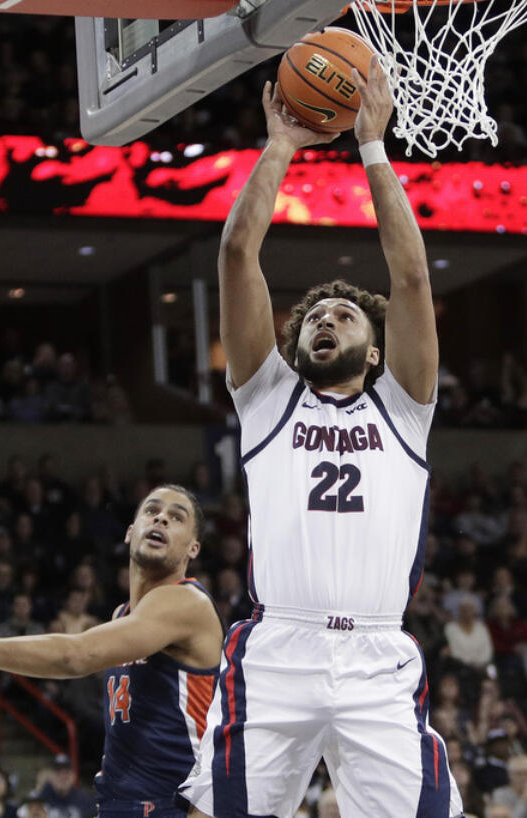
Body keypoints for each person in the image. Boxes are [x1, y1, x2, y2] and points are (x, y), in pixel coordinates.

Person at [177, 59, 460, 818]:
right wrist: (279, 146)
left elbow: (412, 280)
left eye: (345, 315)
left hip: (377, 655)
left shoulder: (403, 408)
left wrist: (373, 147)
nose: (325, 317)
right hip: (279, 651)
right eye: (315, 315)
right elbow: (238, 253)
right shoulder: (267, 397)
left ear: (378, 352)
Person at [0, 485, 224, 818]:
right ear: (130, 532)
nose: (161, 518)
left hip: (175, 803)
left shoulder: (186, 601)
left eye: (176, 517)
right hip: (121, 802)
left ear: (193, 548)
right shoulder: (123, 616)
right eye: (152, 511)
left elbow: (74, 656)